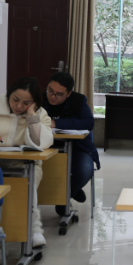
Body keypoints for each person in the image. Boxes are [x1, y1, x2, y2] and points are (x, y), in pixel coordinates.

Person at [0, 77, 53, 249]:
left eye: (26, 103)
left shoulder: (40, 114)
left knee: (27, 185)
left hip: (25, 165)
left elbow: (42, 143)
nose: (18, 106)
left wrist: (32, 115)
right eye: (15, 100)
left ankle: (34, 229)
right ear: (8, 95)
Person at [41, 72, 101, 216]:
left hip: (77, 146)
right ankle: (71, 191)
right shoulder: (39, 99)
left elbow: (88, 123)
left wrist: (56, 123)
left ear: (68, 94)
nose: (52, 96)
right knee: (35, 168)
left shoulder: (78, 100)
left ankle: (65, 196)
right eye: (50, 91)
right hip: (45, 145)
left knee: (84, 170)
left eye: (59, 94)